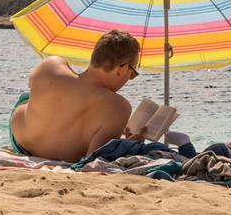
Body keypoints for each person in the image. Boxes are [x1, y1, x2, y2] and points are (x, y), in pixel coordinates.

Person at [9, 29, 140, 162]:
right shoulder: (119, 105)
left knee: (29, 97)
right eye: (132, 74)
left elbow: (33, 85)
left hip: (20, 141)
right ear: (122, 69)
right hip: (58, 156)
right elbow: (95, 158)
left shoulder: (51, 64)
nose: (130, 78)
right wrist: (128, 145)